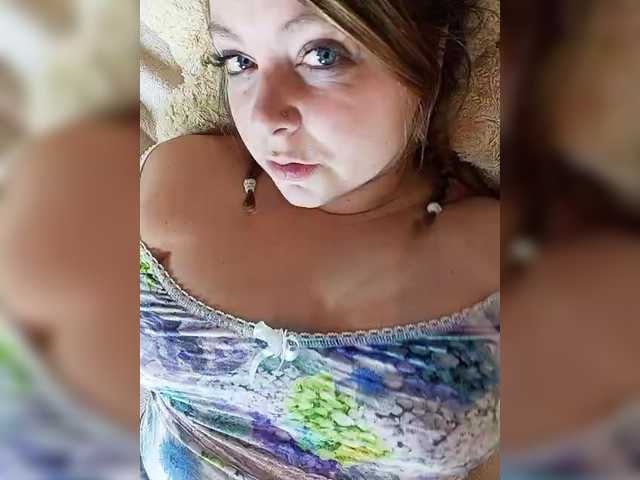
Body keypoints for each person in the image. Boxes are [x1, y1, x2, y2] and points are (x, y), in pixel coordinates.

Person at [140, 0, 499, 478]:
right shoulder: (178, 177)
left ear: (428, 49)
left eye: (321, 55)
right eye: (238, 61)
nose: (263, 116)